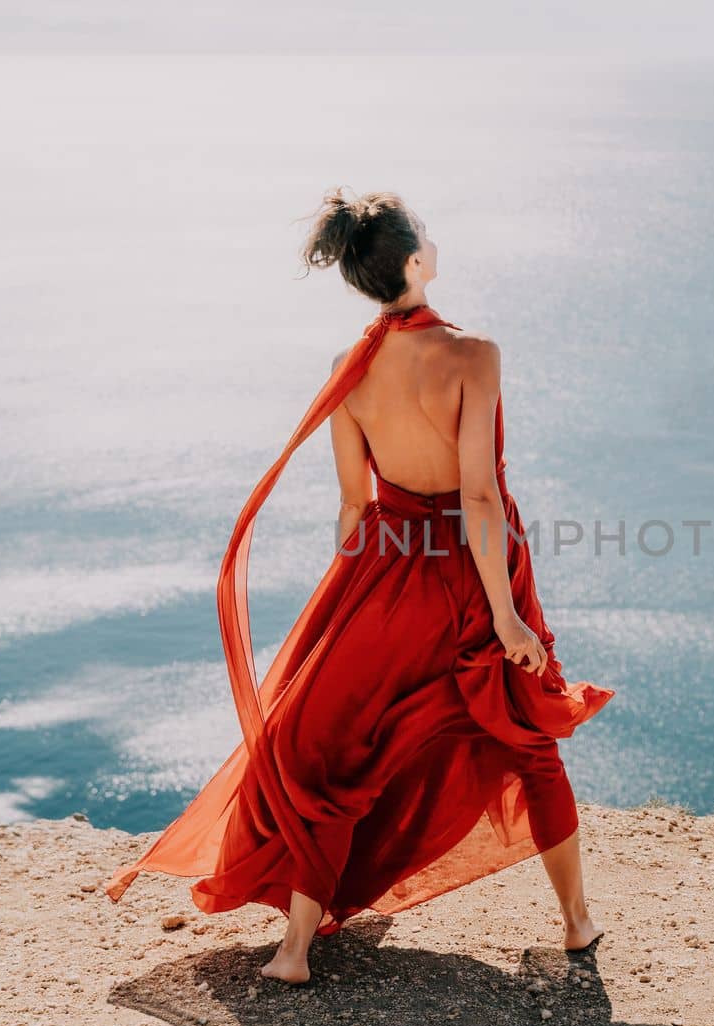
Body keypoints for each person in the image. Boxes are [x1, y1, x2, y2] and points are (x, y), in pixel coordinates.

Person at [103, 186, 614, 985]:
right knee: (528, 740)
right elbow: (478, 496)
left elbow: (353, 505)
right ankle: (577, 923)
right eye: (428, 239)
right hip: (474, 574)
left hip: (385, 571)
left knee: (339, 751)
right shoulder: (474, 355)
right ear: (414, 262)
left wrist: (358, 598)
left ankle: (296, 948)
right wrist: (508, 617)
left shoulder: (350, 366)